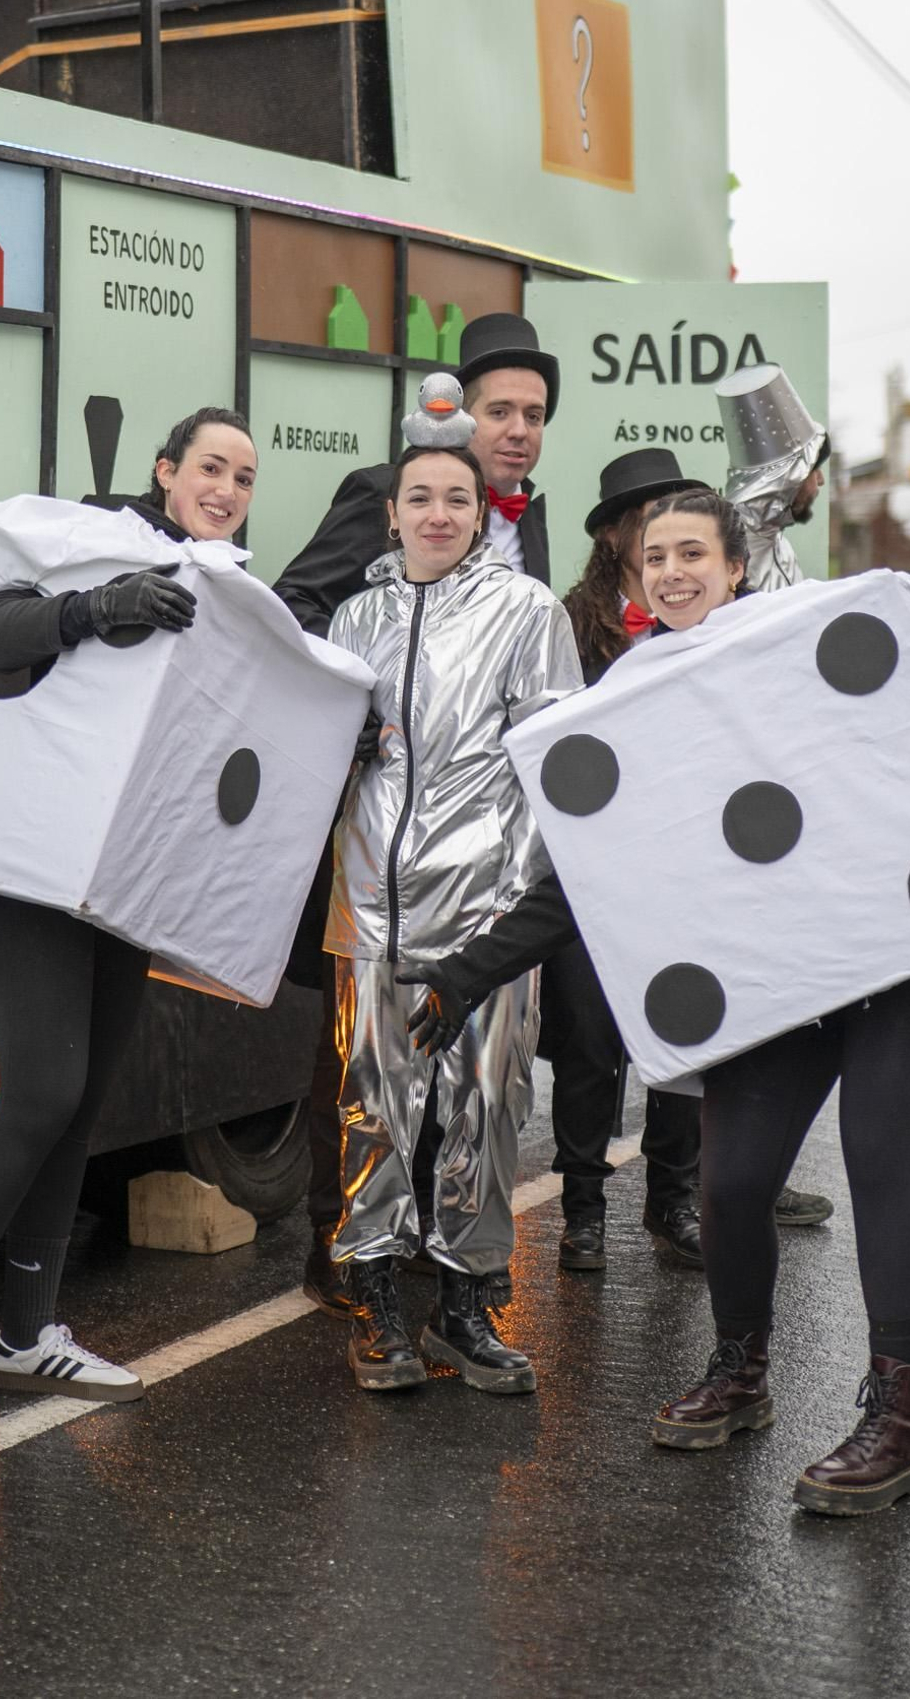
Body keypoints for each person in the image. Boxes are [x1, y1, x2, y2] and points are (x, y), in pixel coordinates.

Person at [400, 487, 910, 1510]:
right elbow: (583, 874)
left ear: (734, 567)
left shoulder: (812, 634)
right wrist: (465, 972)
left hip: (899, 954)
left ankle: (894, 1423)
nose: (672, 572)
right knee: (731, 1184)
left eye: (692, 553)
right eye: (655, 557)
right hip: (772, 970)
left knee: (877, 1156)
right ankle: (741, 1371)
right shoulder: (631, 696)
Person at [0, 406, 259, 1439]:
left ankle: (26, 1330)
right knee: (40, 1091)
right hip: (33, 854)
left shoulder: (230, 588)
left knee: (82, 1099)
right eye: (211, 466)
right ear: (165, 469)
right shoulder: (88, 532)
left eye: (244, 477)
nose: (227, 489)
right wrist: (95, 605)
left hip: (129, 868)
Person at [275, 312, 560, 1312]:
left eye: (533, 413)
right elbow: (298, 618)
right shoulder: (372, 559)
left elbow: (544, 733)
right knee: (366, 1083)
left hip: (489, 877)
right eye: (500, 409)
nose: (517, 428)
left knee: (484, 1088)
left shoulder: (527, 571)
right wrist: (342, 721)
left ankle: (459, 1286)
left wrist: (533, 882)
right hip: (379, 872)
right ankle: (354, 1268)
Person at [324, 400, 582, 1394]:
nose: (438, 513)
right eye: (420, 497)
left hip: (487, 915)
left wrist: (519, 909)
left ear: (482, 512)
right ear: (391, 512)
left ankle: (466, 1304)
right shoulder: (356, 617)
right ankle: (376, 1300)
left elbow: (556, 766)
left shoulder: (528, 612)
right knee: (372, 1105)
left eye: (457, 499)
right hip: (370, 905)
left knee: (487, 1103)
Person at [551, 450, 831, 1276]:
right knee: (588, 1044)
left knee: (684, 1031)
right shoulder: (571, 622)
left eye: (678, 525)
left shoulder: (721, 623)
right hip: (594, 874)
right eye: (645, 523)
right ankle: (581, 1209)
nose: (663, 543)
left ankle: (673, 1198)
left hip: (688, 875)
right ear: (615, 537)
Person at [717, 362, 829, 595]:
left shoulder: (778, 543)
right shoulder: (730, 549)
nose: (820, 480)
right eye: (814, 470)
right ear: (790, 478)